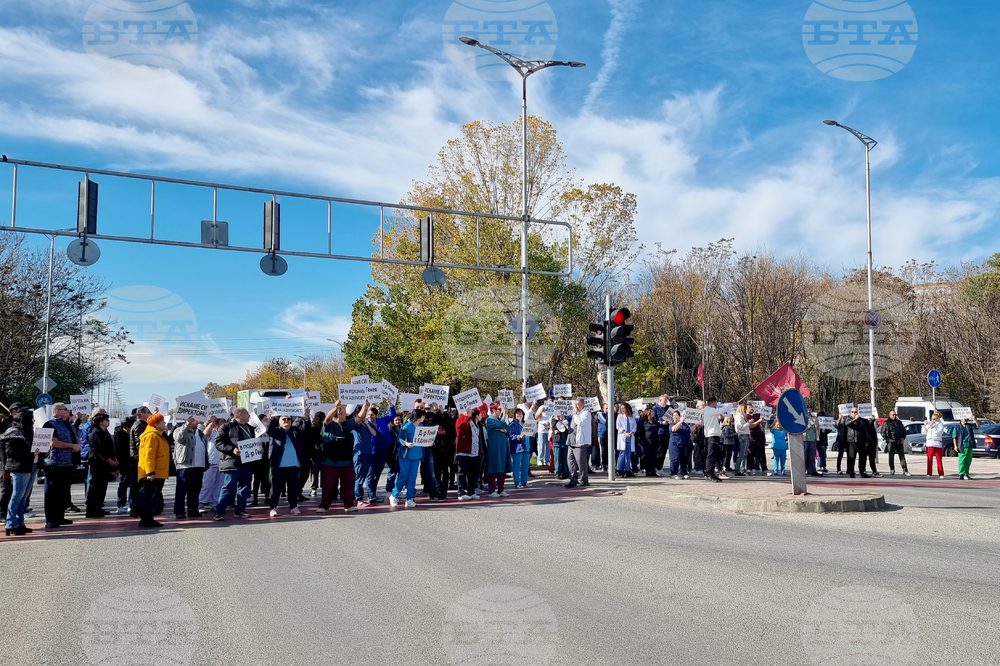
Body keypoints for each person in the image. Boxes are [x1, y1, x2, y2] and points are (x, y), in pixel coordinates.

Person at [319, 400, 369, 513]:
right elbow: (327, 418)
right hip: (330, 461)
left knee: (347, 484)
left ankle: (348, 505)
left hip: (346, 461)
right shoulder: (329, 425)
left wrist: (365, 408)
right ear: (338, 414)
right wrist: (335, 407)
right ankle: (324, 506)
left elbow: (359, 418)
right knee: (328, 485)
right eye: (344, 412)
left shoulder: (347, 424)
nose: (346, 414)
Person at [42, 403, 81, 530]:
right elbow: (53, 442)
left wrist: (77, 444)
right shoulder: (50, 424)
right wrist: (71, 446)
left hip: (68, 462)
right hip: (55, 462)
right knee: (52, 492)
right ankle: (51, 519)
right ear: (57, 411)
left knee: (63, 492)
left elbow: (74, 437)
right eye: (65, 409)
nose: (68, 411)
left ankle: (60, 516)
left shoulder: (67, 423)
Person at [214, 408, 258, 521]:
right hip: (233, 462)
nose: (249, 416)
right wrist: (232, 449)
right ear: (240, 414)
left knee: (244, 487)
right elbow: (218, 442)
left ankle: (240, 510)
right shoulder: (227, 427)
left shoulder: (250, 428)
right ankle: (220, 511)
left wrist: (258, 450)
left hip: (247, 462)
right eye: (248, 414)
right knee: (229, 487)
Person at [267, 412, 310, 516]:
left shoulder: (295, 431)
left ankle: (293, 506)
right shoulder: (276, 432)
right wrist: (272, 419)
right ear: (280, 422)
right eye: (284, 419)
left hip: (294, 465)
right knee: (276, 488)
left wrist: (307, 419)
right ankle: (273, 507)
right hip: (279, 465)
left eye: (288, 419)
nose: (286, 421)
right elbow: (269, 430)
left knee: (293, 487)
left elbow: (306, 431)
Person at [2, 411, 37, 536]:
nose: (33, 421)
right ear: (24, 420)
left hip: (30, 465)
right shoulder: (13, 433)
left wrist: (42, 452)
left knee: (23, 497)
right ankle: (11, 523)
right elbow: (12, 453)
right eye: (31, 419)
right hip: (19, 467)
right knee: (17, 496)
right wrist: (32, 454)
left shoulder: (28, 432)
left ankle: (20, 523)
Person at [137, 413, 170, 528]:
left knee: (152, 496)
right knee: (149, 497)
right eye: (162, 422)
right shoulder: (152, 435)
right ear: (155, 424)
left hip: (158, 471)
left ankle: (148, 519)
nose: (165, 423)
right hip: (153, 473)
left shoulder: (157, 435)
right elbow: (148, 455)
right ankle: (146, 520)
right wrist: (150, 472)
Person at [172, 416, 207, 520]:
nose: (197, 421)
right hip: (185, 464)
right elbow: (179, 438)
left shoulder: (200, 432)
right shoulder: (179, 430)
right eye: (194, 419)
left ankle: (193, 510)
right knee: (182, 490)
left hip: (198, 465)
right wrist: (186, 426)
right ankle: (179, 511)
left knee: (195, 489)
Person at [85, 414, 119, 518]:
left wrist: (114, 459)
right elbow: (99, 449)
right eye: (106, 420)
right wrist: (109, 460)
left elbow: (109, 448)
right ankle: (92, 510)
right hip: (98, 462)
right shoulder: (96, 432)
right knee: (95, 487)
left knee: (102, 487)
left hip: (104, 464)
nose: (108, 421)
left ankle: (98, 507)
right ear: (100, 422)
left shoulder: (104, 433)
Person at [391, 408, 426, 508]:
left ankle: (409, 498)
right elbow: (400, 439)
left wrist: (429, 442)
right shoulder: (406, 426)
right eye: (423, 415)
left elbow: (423, 439)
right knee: (403, 476)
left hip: (417, 454)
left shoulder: (422, 426)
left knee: (412, 478)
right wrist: (406, 443)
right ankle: (394, 495)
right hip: (406, 455)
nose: (424, 417)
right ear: (418, 417)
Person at [702, 398, 733, 481]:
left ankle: (711, 472)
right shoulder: (709, 410)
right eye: (716, 402)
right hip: (711, 435)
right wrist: (732, 405)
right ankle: (709, 473)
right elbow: (722, 410)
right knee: (711, 455)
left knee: (714, 455)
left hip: (714, 435)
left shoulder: (710, 411)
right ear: (713, 403)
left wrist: (719, 418)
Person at [485, 403, 513, 497]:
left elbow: (508, 428)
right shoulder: (489, 420)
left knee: (502, 468)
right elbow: (500, 425)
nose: (501, 411)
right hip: (494, 447)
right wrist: (504, 416)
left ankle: (501, 489)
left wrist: (504, 430)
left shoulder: (499, 420)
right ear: (493, 410)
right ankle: (492, 491)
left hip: (503, 446)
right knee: (493, 468)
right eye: (499, 409)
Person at [128, 406, 151, 517]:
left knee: (138, 484)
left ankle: (137, 506)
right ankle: (135, 507)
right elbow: (140, 443)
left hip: (138, 459)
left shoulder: (142, 424)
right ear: (142, 413)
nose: (150, 414)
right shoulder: (139, 425)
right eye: (148, 412)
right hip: (138, 459)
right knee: (137, 485)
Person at [455, 409, 481, 499]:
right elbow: (463, 428)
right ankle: (461, 492)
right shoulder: (461, 419)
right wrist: (467, 417)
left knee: (472, 473)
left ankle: (471, 491)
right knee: (462, 472)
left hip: (474, 452)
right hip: (464, 452)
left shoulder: (473, 422)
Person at [199, 417, 224, 509]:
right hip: (211, 462)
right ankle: (202, 501)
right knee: (207, 483)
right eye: (221, 421)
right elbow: (205, 434)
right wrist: (212, 422)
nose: (223, 423)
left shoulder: (224, 432)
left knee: (218, 484)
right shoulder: (212, 432)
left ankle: (215, 502)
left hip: (221, 462)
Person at [565, 399, 592, 488]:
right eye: (575, 404)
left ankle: (584, 479)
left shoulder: (586, 414)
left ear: (583, 404)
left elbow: (580, 422)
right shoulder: (574, 414)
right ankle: (573, 479)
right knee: (570, 460)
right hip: (571, 440)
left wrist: (575, 415)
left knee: (581, 462)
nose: (576, 406)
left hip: (580, 442)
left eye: (578, 404)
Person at [112, 415, 135, 514]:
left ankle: (131, 504)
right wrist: (117, 466)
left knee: (132, 484)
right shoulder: (118, 435)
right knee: (123, 484)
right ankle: (120, 504)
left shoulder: (130, 434)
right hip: (123, 464)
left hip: (131, 462)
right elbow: (116, 451)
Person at [250, 413, 271, 507]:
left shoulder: (268, 429)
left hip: (266, 455)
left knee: (266, 478)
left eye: (267, 420)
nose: (266, 421)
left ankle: (267, 496)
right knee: (257, 478)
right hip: (257, 456)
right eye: (265, 420)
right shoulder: (255, 430)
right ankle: (255, 498)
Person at [881, 410, 910, 476]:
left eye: (895, 414)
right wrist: (888, 439)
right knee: (891, 456)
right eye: (892, 415)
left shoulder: (899, 422)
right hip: (891, 442)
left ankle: (905, 470)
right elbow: (882, 432)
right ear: (889, 415)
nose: (894, 416)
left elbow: (904, 430)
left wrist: (903, 437)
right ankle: (892, 469)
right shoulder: (886, 423)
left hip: (899, 441)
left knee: (902, 456)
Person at [842, 407, 869, 478]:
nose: (854, 413)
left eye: (855, 412)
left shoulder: (861, 420)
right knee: (852, 457)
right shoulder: (849, 418)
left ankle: (862, 471)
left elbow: (868, 425)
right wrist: (854, 419)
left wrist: (871, 419)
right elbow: (847, 424)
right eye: (852, 412)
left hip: (861, 441)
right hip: (852, 441)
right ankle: (851, 472)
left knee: (862, 457)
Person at [653, 395, 676, 474]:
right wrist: (661, 422)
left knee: (664, 451)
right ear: (660, 400)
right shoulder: (655, 408)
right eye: (664, 401)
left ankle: (660, 467)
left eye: (666, 401)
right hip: (659, 432)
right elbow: (653, 420)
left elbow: (676, 406)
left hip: (667, 432)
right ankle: (656, 468)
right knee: (659, 450)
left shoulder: (668, 408)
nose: (666, 402)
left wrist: (670, 398)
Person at [951, 413, 979, 480]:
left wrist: (975, 419)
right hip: (962, 445)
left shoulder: (969, 426)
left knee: (968, 460)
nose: (966, 420)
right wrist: (955, 446)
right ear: (961, 419)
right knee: (962, 460)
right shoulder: (957, 427)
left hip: (969, 445)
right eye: (964, 418)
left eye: (966, 418)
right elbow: (954, 437)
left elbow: (978, 426)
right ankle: (961, 474)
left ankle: (967, 473)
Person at [615, 403, 637, 478]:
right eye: (621, 408)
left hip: (630, 437)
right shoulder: (620, 416)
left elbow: (634, 427)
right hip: (623, 436)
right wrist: (625, 432)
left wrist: (630, 433)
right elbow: (618, 426)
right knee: (622, 454)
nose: (622, 410)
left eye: (623, 408)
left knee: (628, 455)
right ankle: (619, 469)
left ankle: (627, 469)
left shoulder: (632, 417)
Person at [509, 408, 529, 488]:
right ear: (514, 415)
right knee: (516, 465)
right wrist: (518, 437)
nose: (519, 415)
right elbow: (510, 436)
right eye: (517, 414)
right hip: (517, 448)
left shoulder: (526, 423)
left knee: (525, 465)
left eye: (520, 413)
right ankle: (517, 482)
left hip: (526, 447)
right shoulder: (512, 424)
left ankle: (524, 481)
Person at [667, 411, 691, 479]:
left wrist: (696, 425)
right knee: (675, 459)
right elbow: (673, 429)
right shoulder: (672, 424)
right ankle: (673, 473)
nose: (675, 416)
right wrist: (680, 422)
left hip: (685, 444)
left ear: (679, 416)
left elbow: (690, 430)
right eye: (674, 415)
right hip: (675, 444)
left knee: (684, 459)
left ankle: (684, 473)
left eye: (676, 415)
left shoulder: (685, 425)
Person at [923, 412, 946, 478]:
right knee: (929, 459)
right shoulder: (929, 424)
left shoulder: (940, 425)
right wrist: (925, 426)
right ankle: (929, 473)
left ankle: (941, 473)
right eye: (932, 419)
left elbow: (938, 433)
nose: (933, 420)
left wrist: (932, 427)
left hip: (937, 443)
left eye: (934, 419)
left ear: (938, 419)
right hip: (930, 443)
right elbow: (923, 432)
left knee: (939, 459)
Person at [640, 408, 660, 477]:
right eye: (652, 412)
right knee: (647, 457)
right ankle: (648, 471)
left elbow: (658, 426)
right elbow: (640, 432)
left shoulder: (655, 421)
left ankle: (653, 471)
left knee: (654, 457)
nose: (653, 413)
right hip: (647, 442)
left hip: (655, 441)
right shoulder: (643, 422)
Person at [733, 404, 752, 476]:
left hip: (745, 434)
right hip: (742, 435)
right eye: (744, 409)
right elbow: (740, 427)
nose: (745, 411)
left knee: (744, 454)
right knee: (742, 454)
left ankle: (741, 468)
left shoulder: (742, 417)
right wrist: (748, 423)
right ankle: (739, 469)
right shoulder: (739, 417)